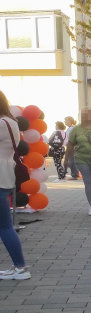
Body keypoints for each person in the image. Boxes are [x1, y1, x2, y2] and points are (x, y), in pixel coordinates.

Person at [0, 90, 29, 280]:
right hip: (5, 174)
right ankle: (19, 267)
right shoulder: (10, 122)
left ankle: (20, 267)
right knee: (5, 225)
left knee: (5, 226)